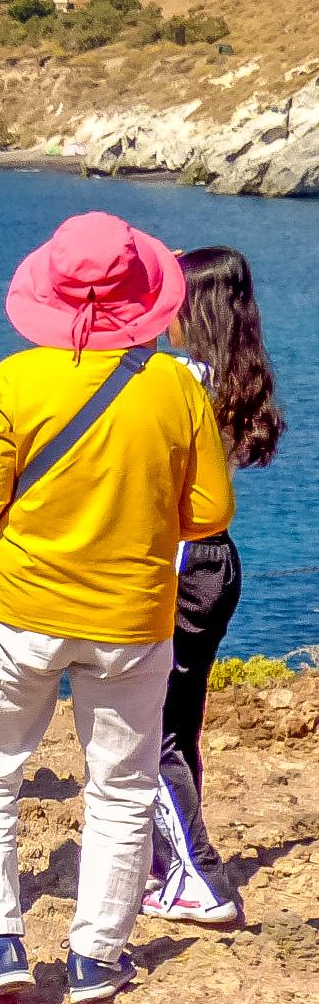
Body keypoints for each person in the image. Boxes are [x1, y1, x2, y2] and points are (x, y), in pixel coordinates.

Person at [0, 213, 234, 1004]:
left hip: (15, 609)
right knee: (119, 786)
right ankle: (96, 957)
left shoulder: (11, 382)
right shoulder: (177, 386)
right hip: (129, 616)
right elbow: (208, 512)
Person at [144, 246, 284, 926]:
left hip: (174, 563)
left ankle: (195, 874)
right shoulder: (230, 377)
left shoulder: (174, 380)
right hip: (213, 561)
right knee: (178, 724)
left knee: (149, 732)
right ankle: (165, 864)